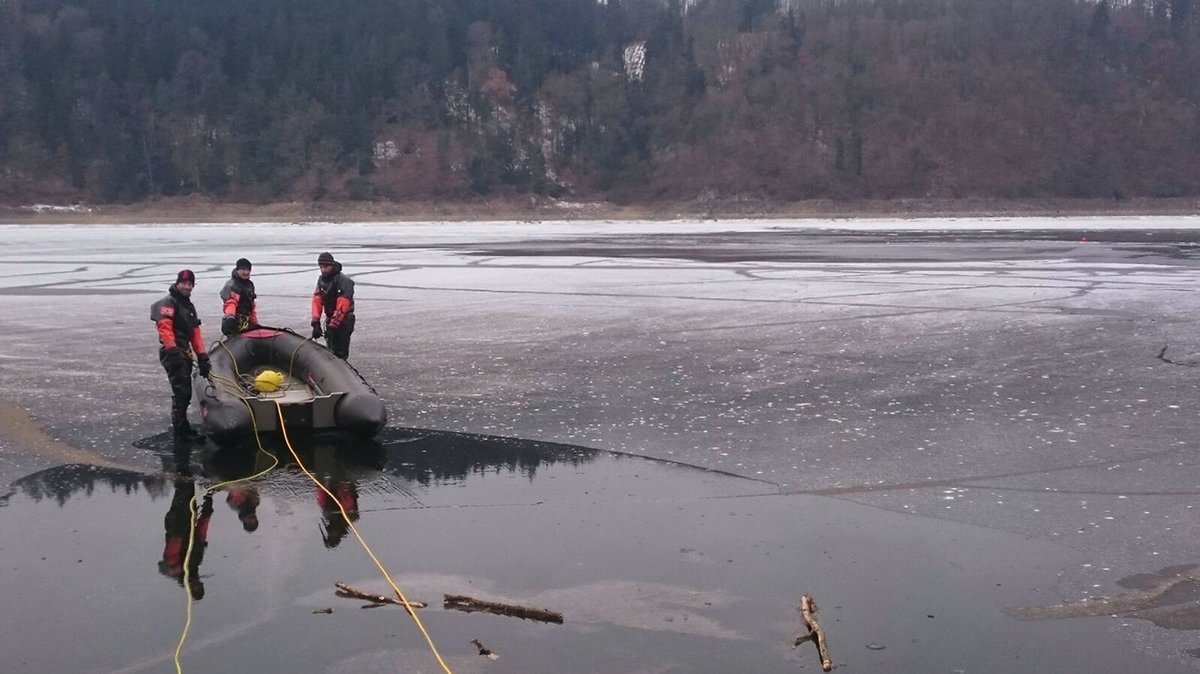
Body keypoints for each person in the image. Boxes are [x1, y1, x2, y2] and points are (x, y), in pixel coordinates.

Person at [151, 269, 210, 440]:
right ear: (178, 283)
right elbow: (165, 327)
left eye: (190, 284)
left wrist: (202, 356)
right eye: (183, 283)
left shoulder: (188, 306)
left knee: (184, 390)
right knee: (182, 391)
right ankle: (180, 428)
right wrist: (172, 350)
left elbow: (195, 333)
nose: (186, 287)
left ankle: (182, 425)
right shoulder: (169, 303)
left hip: (183, 352)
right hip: (173, 353)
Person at [310, 251, 355, 359]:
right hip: (331, 317)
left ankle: (342, 370)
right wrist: (316, 322)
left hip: (345, 319)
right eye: (321, 267)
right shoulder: (321, 281)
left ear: (332, 265)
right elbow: (317, 300)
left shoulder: (344, 281)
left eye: (326, 267)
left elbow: (343, 304)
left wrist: (335, 323)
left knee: (340, 351)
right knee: (331, 349)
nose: (323, 270)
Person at [220, 257, 258, 336]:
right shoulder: (232, 285)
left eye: (248, 270)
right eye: (243, 269)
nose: (246, 272)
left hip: (247, 323)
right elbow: (230, 303)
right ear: (237, 270)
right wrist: (230, 318)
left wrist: (255, 323)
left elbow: (252, 306)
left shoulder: (250, 285)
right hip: (234, 323)